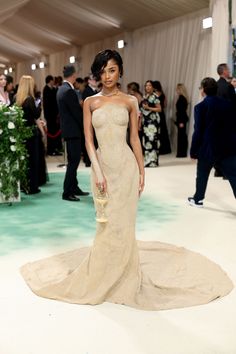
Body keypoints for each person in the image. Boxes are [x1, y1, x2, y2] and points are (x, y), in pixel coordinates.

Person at [21, 50, 233, 310]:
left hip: (126, 169)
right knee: (106, 224)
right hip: (103, 168)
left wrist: (142, 171)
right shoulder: (90, 102)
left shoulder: (131, 101)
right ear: (97, 73)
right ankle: (103, 275)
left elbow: (134, 138)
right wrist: (97, 171)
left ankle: (125, 276)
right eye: (103, 71)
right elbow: (88, 140)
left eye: (112, 69)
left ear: (120, 70)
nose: (107, 76)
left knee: (125, 224)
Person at [188, 77, 236, 207]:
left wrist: (193, 151)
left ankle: (198, 199)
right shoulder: (229, 104)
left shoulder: (200, 107)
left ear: (203, 90)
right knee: (234, 176)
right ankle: (197, 198)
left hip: (208, 148)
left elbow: (198, 131)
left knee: (202, 175)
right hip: (228, 147)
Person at [56, 65, 89, 201]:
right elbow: (76, 113)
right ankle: (67, 192)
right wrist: (85, 126)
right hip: (73, 131)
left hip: (68, 130)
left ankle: (74, 187)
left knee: (73, 161)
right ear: (73, 75)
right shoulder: (68, 91)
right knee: (74, 161)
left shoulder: (61, 89)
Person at [16, 75, 43, 194]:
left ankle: (24, 185)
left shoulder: (17, 99)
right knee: (33, 161)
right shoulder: (30, 100)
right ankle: (32, 187)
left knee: (24, 161)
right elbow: (36, 115)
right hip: (31, 134)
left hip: (22, 134)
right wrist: (40, 105)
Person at [140, 80, 161, 167]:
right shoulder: (145, 96)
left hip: (153, 122)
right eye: (146, 85)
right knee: (147, 141)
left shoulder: (155, 96)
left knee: (152, 140)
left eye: (149, 85)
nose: (147, 87)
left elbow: (159, 109)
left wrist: (148, 107)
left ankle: (153, 161)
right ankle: (147, 160)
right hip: (145, 122)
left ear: (152, 87)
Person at [42, 75, 62, 156]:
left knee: (56, 132)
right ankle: (50, 149)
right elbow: (46, 104)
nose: (54, 81)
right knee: (51, 132)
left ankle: (55, 148)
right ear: (50, 80)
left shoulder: (53, 89)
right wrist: (47, 116)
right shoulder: (46, 89)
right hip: (50, 115)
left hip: (55, 115)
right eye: (53, 80)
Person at [153, 80, 171, 154]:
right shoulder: (162, 94)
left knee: (157, 131)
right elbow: (165, 104)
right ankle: (166, 149)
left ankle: (159, 149)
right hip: (162, 114)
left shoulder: (154, 94)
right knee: (163, 131)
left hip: (156, 113)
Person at [175, 83, 189, 157]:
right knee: (182, 136)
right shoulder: (182, 98)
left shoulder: (181, 99)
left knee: (181, 137)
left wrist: (181, 122)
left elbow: (182, 111)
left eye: (177, 89)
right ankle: (181, 153)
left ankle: (182, 153)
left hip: (181, 120)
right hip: (181, 119)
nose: (176, 90)